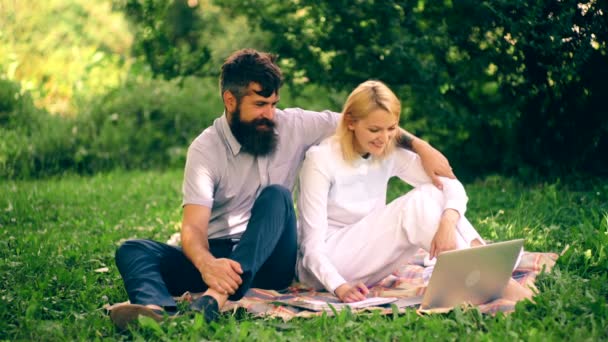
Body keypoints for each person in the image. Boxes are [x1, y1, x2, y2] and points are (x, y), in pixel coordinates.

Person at [109, 50, 455, 329]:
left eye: (273, 104)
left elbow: (362, 119)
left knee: (275, 195)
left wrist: (419, 145)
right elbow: (193, 228)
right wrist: (208, 263)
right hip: (219, 252)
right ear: (230, 100)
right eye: (260, 105)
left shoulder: (295, 124)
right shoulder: (204, 149)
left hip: (273, 258)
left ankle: (215, 297)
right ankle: (155, 310)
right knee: (133, 249)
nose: (270, 114)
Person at [296, 80, 533, 303]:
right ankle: (489, 276)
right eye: (374, 129)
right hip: (328, 265)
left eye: (391, 129)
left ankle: (480, 263)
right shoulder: (320, 159)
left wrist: (448, 222)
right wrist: (340, 286)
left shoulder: (387, 150)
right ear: (350, 122)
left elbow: (449, 184)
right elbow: (311, 248)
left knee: (433, 193)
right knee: (416, 205)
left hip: (370, 258)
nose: (384, 138)